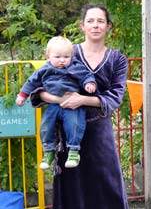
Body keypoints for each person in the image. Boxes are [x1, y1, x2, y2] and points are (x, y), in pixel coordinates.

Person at [30, 4, 134, 209]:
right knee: (77, 195)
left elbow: (115, 96)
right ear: (82, 25)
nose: (96, 25)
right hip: (66, 133)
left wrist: (84, 100)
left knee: (109, 189)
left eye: (101, 21)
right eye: (91, 20)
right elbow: (39, 88)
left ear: (108, 26)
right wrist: (58, 100)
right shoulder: (66, 51)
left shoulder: (116, 59)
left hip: (98, 131)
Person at [16, 36, 96, 170]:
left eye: (66, 56)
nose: (62, 60)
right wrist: (22, 95)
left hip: (72, 104)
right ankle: (48, 151)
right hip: (53, 105)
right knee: (46, 125)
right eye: (57, 57)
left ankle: (74, 151)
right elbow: (32, 82)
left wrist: (89, 83)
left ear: (72, 56)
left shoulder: (76, 67)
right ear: (48, 56)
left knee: (75, 123)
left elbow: (87, 75)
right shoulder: (44, 70)